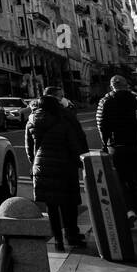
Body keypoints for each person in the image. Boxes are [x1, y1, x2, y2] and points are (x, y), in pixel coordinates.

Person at [26, 86, 89, 250]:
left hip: (42, 167)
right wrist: (81, 161)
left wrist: (35, 165)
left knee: (51, 206)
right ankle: (72, 235)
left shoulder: (32, 119)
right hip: (65, 165)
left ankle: (57, 240)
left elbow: (29, 148)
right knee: (69, 203)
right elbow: (74, 143)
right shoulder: (64, 118)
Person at [96, 75, 137, 230]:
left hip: (116, 146)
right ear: (126, 85)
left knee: (121, 182)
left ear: (112, 86)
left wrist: (105, 144)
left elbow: (102, 125)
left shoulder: (104, 101)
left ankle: (129, 210)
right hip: (136, 145)